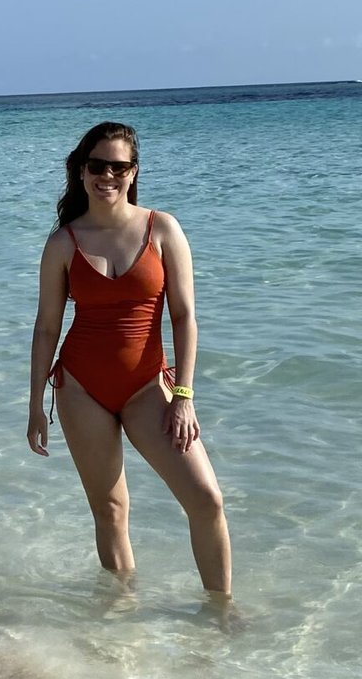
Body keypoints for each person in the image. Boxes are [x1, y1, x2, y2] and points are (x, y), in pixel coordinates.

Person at [27, 120, 231, 597]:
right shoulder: (63, 243)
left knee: (206, 500)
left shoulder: (162, 229)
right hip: (80, 388)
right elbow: (46, 328)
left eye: (119, 167)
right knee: (111, 510)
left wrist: (183, 396)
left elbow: (184, 316)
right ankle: (122, 620)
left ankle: (221, 612)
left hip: (148, 386)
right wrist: (36, 404)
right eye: (97, 165)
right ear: (80, 171)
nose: (108, 176)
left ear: (133, 172)